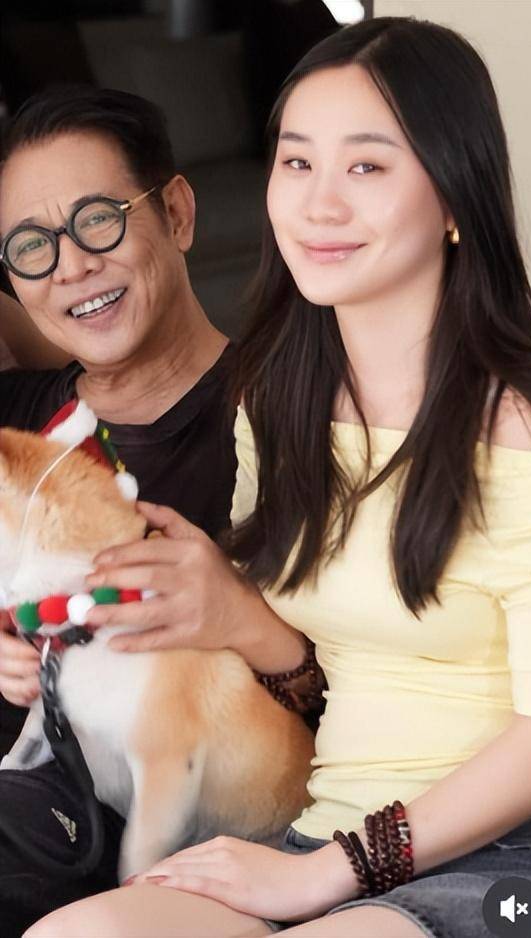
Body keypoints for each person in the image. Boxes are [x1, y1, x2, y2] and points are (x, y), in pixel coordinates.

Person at [23, 16, 531, 938]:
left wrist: (333, 872)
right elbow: (309, 665)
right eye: (296, 161)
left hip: (528, 849)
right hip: (328, 832)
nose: (319, 204)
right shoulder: (280, 400)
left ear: (454, 195)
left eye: (366, 166)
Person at [0, 85, 237, 935]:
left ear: (177, 213)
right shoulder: (16, 423)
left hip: (131, 846)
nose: (70, 267)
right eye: (31, 247)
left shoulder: (288, 417)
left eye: (98, 220)